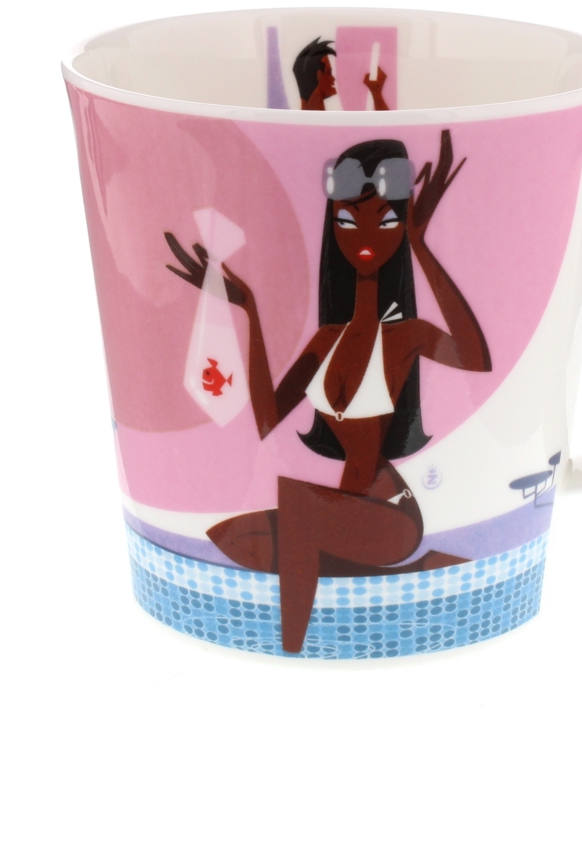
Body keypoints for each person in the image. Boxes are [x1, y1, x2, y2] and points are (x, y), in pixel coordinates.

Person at [165, 130, 491, 653]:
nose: (365, 236)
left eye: (386, 222)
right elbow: (267, 419)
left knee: (296, 509)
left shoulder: (404, 336)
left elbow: (476, 359)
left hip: (390, 512)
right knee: (240, 537)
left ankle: (293, 646)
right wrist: (248, 308)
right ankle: (397, 576)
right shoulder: (327, 341)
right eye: (347, 221)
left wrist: (421, 245)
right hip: (347, 506)